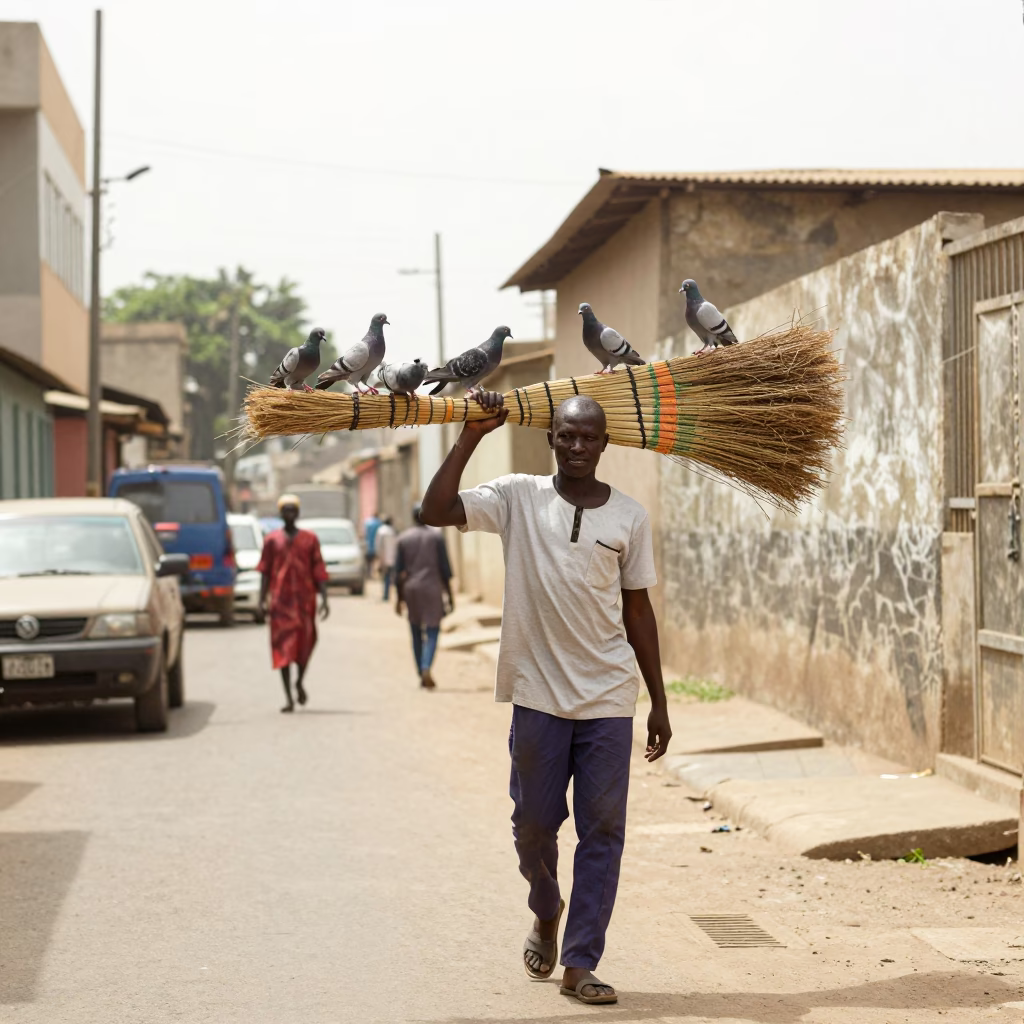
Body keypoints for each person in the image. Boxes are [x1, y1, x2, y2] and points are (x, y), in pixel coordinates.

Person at [420, 392, 671, 1006]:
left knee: (603, 830)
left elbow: (638, 611)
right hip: (536, 693)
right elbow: (434, 510)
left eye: (589, 438)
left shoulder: (630, 518)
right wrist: (470, 435)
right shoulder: (516, 498)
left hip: (609, 696)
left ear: (605, 444)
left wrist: (659, 701)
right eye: (567, 436)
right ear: (551, 439)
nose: (578, 447)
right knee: (533, 826)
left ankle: (581, 962)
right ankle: (545, 904)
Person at [258, 493, 330, 712]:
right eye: (285, 510)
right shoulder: (271, 540)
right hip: (280, 602)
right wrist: (262, 600)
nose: (289, 514)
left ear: (298, 513)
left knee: (305, 644)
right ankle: (288, 696)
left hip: (304, 602)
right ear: (280, 514)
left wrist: (324, 599)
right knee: (283, 648)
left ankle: (299, 681)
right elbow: (265, 571)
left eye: (293, 510)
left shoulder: (310, 539)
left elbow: (319, 569)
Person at [394, 505, 454, 689]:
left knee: (415, 632)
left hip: (411, 589)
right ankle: (426, 665)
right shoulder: (436, 538)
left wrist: (399, 598)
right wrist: (450, 596)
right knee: (433, 629)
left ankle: (421, 671)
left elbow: (398, 573)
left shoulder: (403, 539)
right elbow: (445, 570)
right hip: (432, 587)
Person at [375, 516, 398, 601]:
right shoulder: (392, 531)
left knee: (386, 576)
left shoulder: (381, 531)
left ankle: (386, 595)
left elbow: (378, 546)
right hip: (392, 557)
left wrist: (379, 558)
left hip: (384, 557)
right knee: (392, 576)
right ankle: (390, 594)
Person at [363, 510, 382, 577]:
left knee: (368, 561)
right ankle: (372, 573)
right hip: (375, 544)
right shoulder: (378, 523)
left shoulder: (367, 522)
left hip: (368, 544)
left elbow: (365, 533)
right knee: (374, 560)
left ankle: (369, 573)